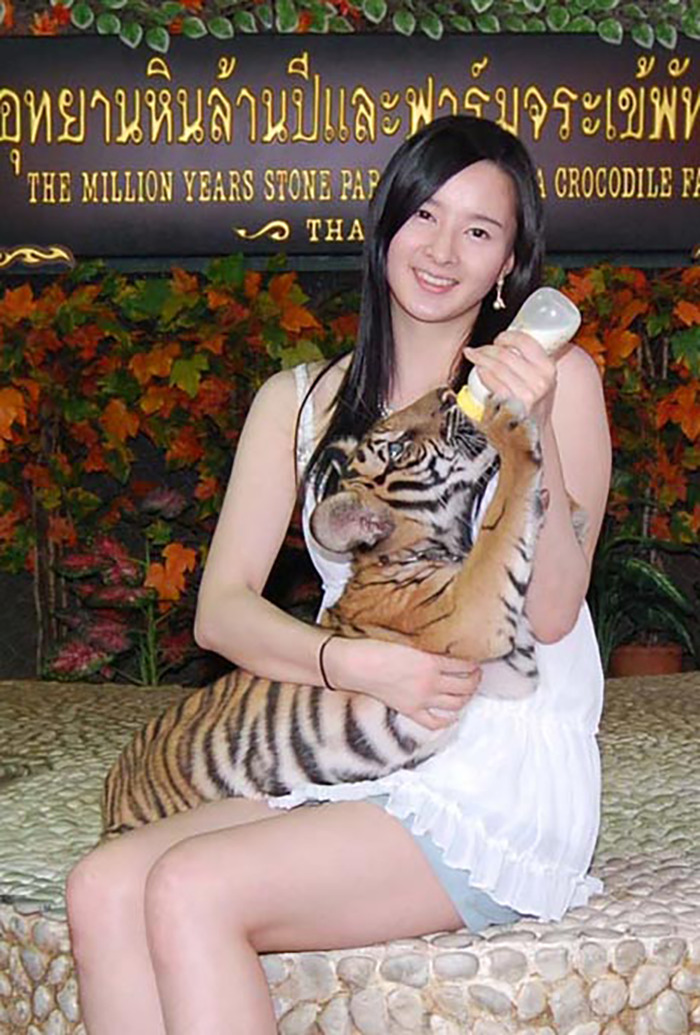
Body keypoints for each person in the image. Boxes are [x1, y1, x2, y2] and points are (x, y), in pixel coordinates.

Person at [66, 114, 611, 1035]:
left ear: (511, 266)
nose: (442, 251)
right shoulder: (299, 400)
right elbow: (222, 613)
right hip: (350, 737)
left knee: (194, 887)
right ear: (386, 223)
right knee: (102, 885)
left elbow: (553, 612)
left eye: (479, 232)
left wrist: (537, 428)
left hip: (491, 769)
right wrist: (354, 665)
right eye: (425, 216)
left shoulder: (564, 381)